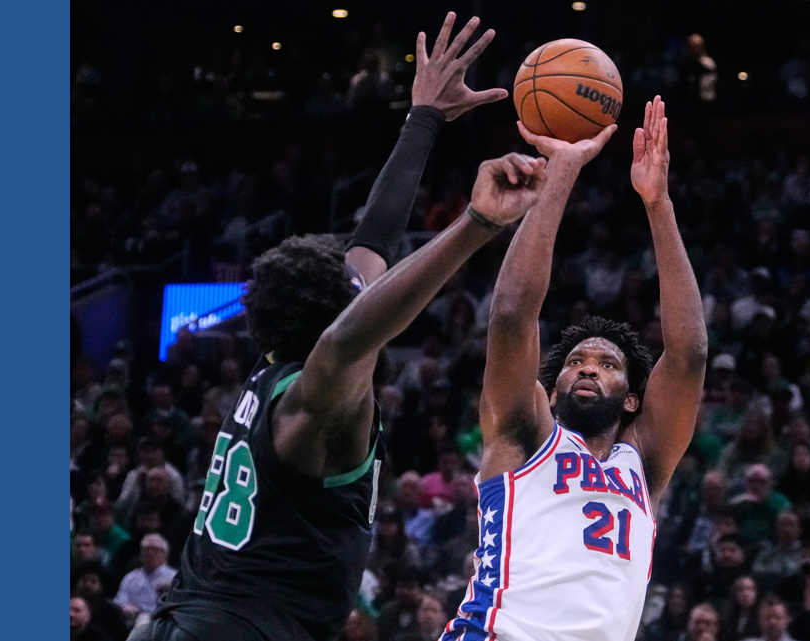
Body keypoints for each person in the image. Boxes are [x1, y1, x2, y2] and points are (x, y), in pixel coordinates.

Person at [133, 13, 540, 641]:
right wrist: (477, 224)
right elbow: (350, 335)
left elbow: (373, 239)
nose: (366, 286)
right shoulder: (316, 396)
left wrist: (424, 117)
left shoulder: (275, 374)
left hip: (188, 621)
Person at [442, 96, 707, 641]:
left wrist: (658, 205)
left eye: (606, 364)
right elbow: (513, 315)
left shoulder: (644, 465)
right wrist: (561, 171)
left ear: (632, 399)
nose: (587, 369)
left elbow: (689, 356)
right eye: (575, 363)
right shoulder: (525, 434)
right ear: (552, 384)